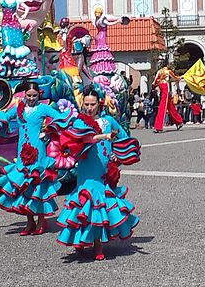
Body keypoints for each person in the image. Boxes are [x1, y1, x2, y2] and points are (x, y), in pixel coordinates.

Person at [53, 85, 140, 260]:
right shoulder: (79, 121)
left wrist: (118, 154)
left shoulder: (108, 121)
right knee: (87, 203)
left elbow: (122, 135)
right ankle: (88, 240)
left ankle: (97, 242)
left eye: (92, 104)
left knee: (101, 204)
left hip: (104, 169)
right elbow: (74, 140)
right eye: (86, 104)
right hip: (86, 169)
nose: (89, 108)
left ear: (99, 104)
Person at [0, 81, 67, 236]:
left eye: (34, 95)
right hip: (22, 151)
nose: (32, 98)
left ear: (39, 95)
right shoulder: (19, 108)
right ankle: (29, 221)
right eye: (29, 95)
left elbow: (61, 118)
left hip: (38, 150)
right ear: (24, 94)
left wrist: (48, 132)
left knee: (38, 184)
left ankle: (41, 221)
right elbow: (4, 116)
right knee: (23, 185)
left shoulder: (42, 108)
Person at [152, 60, 184, 132]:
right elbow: (175, 78)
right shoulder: (168, 71)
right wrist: (181, 77)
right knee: (165, 107)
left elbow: (154, 82)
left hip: (161, 87)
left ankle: (178, 122)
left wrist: (155, 86)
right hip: (165, 87)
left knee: (167, 106)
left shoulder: (159, 72)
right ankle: (178, 122)